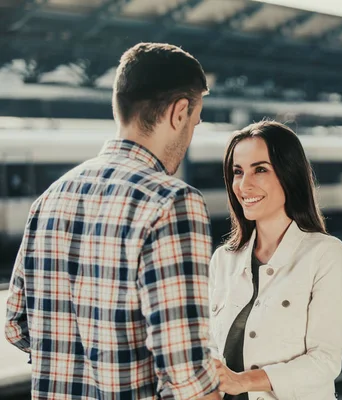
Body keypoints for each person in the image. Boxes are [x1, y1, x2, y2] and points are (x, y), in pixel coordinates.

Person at [5, 42, 221, 400]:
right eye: (195, 122)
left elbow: (16, 325)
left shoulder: (51, 198)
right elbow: (184, 368)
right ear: (179, 112)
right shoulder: (171, 201)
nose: (190, 133)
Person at [209, 120, 342, 400]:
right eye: (237, 172)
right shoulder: (223, 260)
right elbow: (209, 347)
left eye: (260, 170)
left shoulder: (325, 254)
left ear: (289, 175)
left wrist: (243, 381)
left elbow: (324, 362)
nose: (244, 184)